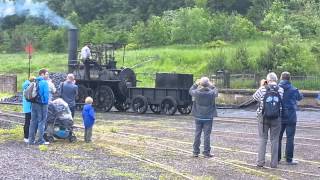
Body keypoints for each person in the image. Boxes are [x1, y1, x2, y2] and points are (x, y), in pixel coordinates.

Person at [253, 72, 284, 168]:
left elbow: (254, 97)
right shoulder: (281, 89)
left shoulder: (262, 88)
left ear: (267, 79)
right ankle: (274, 163)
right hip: (276, 117)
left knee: (263, 139)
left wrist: (263, 85)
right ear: (276, 80)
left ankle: (260, 162)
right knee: (275, 140)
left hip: (263, 117)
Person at [189, 77, 218, 158]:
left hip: (198, 116)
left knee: (197, 134)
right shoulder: (212, 93)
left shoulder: (196, 92)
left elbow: (190, 90)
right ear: (208, 84)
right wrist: (211, 85)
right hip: (208, 117)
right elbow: (216, 91)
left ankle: (195, 152)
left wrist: (196, 84)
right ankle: (206, 152)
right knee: (207, 135)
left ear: (201, 84)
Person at [278, 72, 303, 165]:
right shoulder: (294, 89)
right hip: (291, 116)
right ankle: (289, 159)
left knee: (277, 137)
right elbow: (300, 97)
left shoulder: (277, 88)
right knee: (290, 138)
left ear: (281, 78)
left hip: (279, 116)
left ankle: (277, 158)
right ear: (289, 79)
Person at [28, 69, 50, 145]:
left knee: (33, 121)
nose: (48, 76)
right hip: (42, 104)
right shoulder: (44, 83)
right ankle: (40, 140)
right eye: (46, 74)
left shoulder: (34, 81)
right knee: (41, 122)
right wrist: (46, 103)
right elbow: (46, 94)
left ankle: (31, 140)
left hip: (33, 103)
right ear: (42, 74)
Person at [22, 76, 35, 143]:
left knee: (27, 122)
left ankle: (26, 137)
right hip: (29, 107)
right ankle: (27, 137)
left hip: (26, 107)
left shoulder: (25, 86)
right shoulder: (29, 87)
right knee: (28, 122)